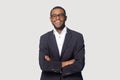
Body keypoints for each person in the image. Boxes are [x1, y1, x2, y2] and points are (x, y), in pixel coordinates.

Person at [39, 6, 85, 80]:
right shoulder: (44, 38)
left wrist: (53, 65)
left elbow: (79, 64)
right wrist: (67, 63)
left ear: (65, 18)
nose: (57, 18)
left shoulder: (77, 37)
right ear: (50, 19)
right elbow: (43, 65)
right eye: (54, 16)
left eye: (60, 15)